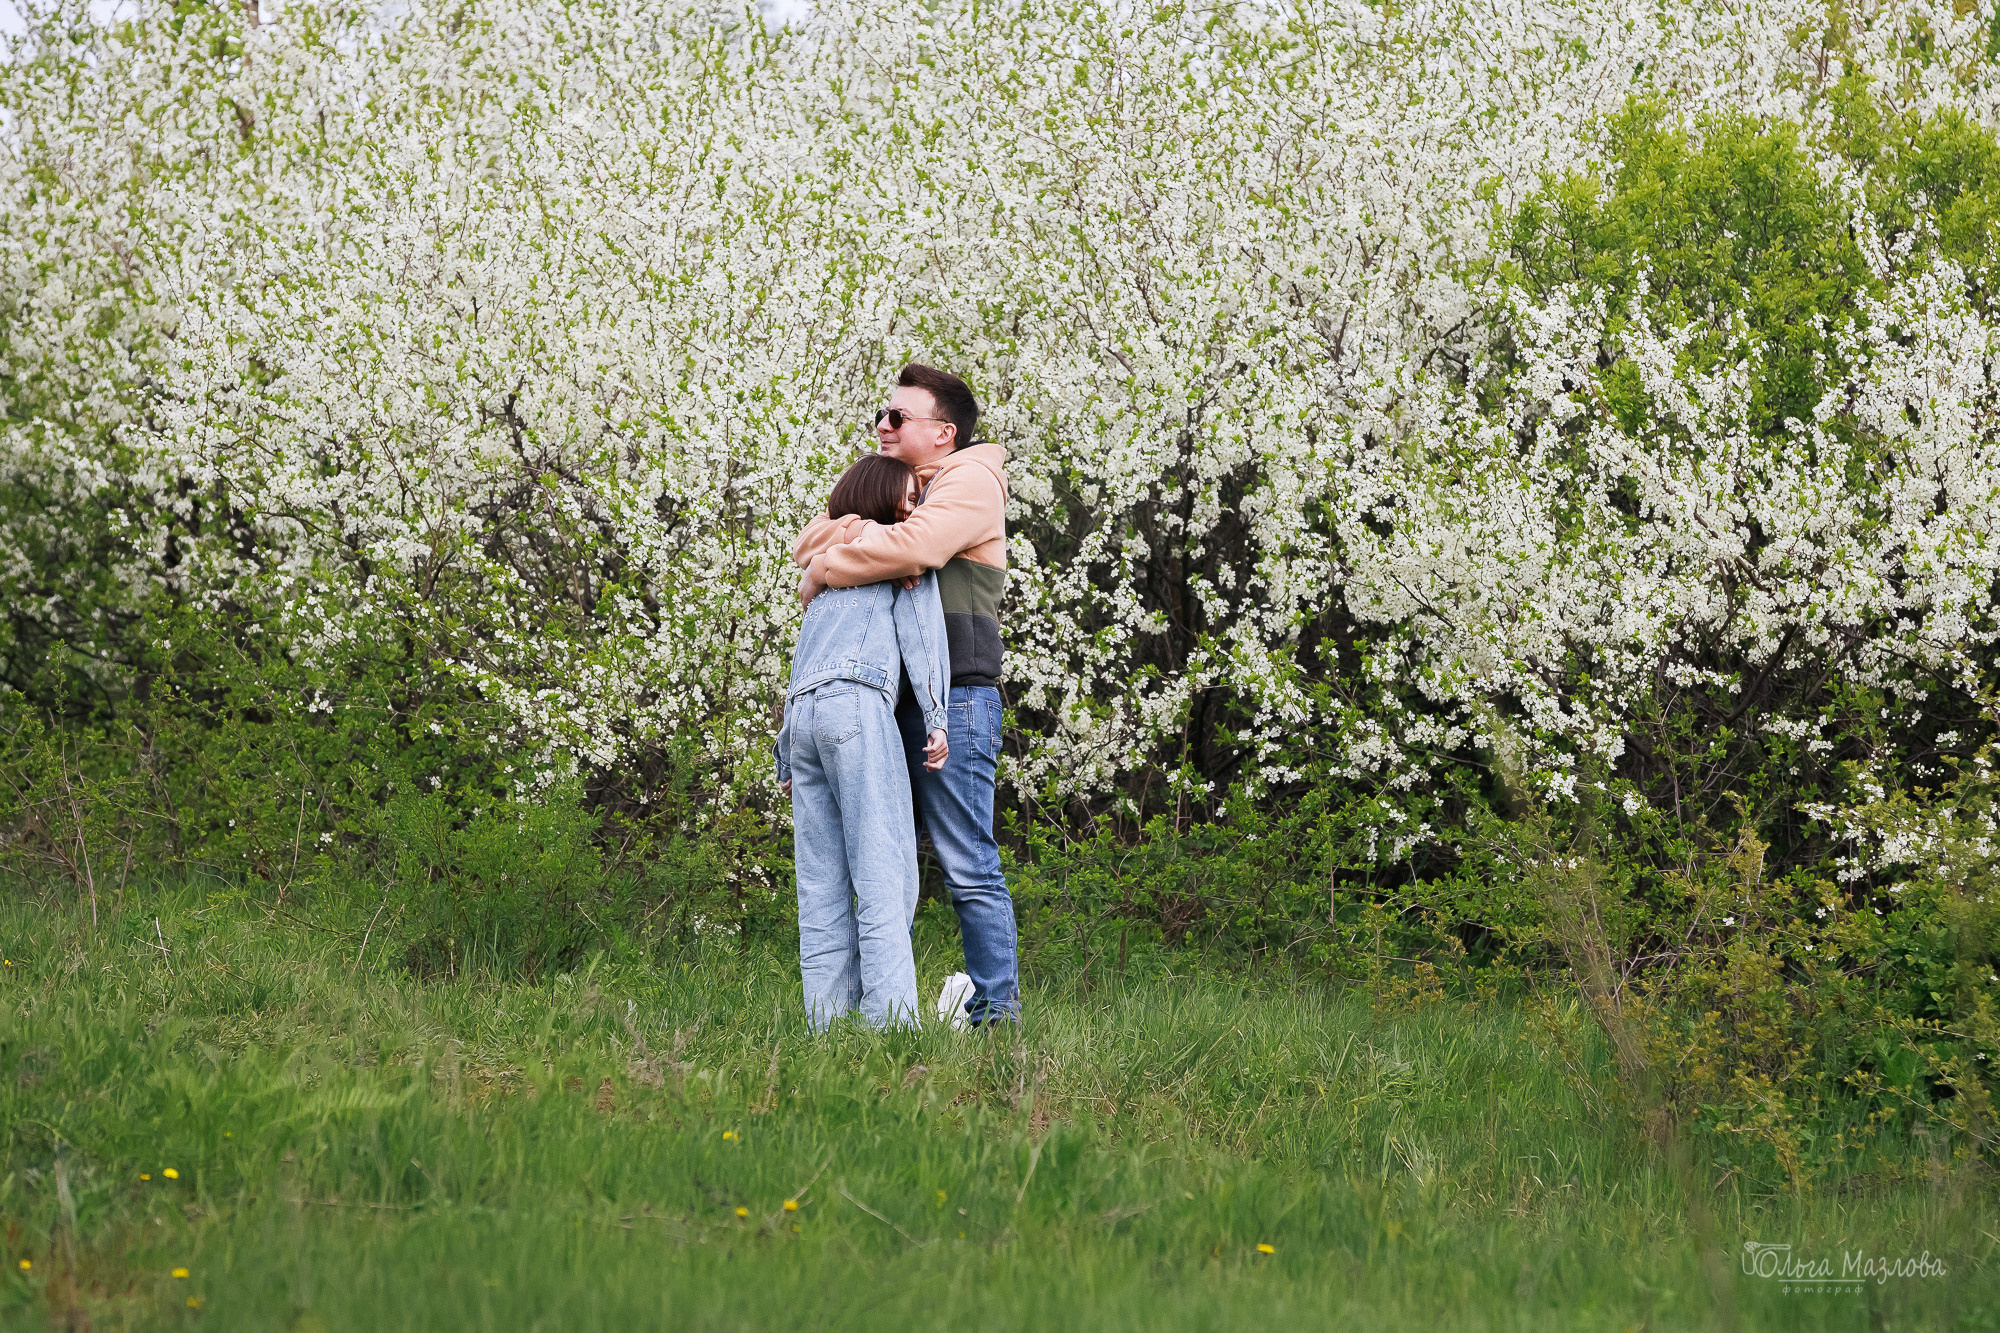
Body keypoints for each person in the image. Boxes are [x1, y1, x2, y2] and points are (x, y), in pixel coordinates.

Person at [795, 364, 1018, 1025]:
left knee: (964, 860)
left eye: (898, 417)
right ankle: (880, 1014)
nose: (883, 426)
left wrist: (831, 563)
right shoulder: (898, 486)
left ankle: (996, 1017)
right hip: (894, 700)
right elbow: (809, 534)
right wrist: (845, 538)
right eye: (881, 415)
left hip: (959, 695)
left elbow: (916, 549)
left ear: (943, 432)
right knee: (886, 861)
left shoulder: (970, 478)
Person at [775, 454, 950, 1030]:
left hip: (803, 718)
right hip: (855, 704)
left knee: (820, 882)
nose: (912, 507)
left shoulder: (827, 568)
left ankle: (825, 1028)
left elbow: (804, 655)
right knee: (886, 869)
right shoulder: (895, 556)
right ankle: (890, 1025)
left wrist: (784, 747)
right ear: (878, 496)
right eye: (906, 496)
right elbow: (921, 634)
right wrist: (936, 715)